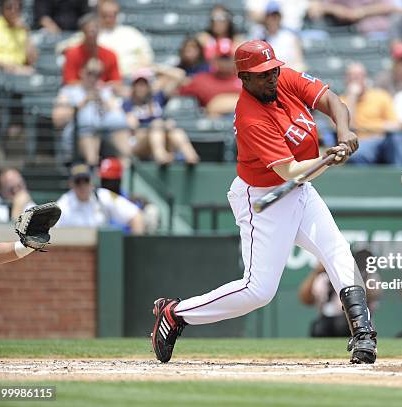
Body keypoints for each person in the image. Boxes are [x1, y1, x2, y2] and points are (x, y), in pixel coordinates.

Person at [151, 40, 377, 365]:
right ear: (244, 78)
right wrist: (327, 159)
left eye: (272, 71)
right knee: (259, 291)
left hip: (299, 191)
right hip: (266, 196)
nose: (271, 78)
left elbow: (331, 101)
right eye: (261, 74)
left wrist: (343, 132)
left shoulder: (283, 77)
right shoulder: (249, 116)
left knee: (338, 251)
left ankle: (363, 335)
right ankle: (175, 313)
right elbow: (292, 172)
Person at [53, 58, 131, 166]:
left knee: (120, 129)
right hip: (77, 137)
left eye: (98, 74)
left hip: (105, 136)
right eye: (90, 73)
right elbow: (57, 120)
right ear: (82, 72)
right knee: (88, 130)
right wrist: (84, 103)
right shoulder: (69, 91)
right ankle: (92, 171)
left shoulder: (105, 92)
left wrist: (103, 102)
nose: (93, 78)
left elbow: (119, 117)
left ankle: (127, 171)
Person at [123, 67, 200, 165]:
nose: (140, 87)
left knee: (175, 130)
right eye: (138, 84)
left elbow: (180, 75)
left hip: (161, 137)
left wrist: (157, 68)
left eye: (144, 84)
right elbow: (132, 126)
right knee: (157, 125)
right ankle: (160, 156)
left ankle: (191, 156)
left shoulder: (158, 97)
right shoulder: (128, 103)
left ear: (149, 86)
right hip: (138, 142)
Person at [299, 249, 380, 337]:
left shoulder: (369, 278)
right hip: (327, 323)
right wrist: (317, 271)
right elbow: (306, 299)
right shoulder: (324, 279)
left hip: (356, 322)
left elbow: (371, 295)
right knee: (319, 327)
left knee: (342, 324)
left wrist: (360, 275)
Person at [342, 62, 402, 166]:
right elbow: (347, 127)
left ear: (365, 78)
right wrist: (352, 97)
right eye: (352, 76)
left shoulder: (380, 95)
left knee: (396, 138)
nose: (356, 79)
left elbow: (395, 125)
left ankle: (399, 175)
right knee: (358, 154)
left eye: (359, 76)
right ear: (346, 79)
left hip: (383, 139)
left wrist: (370, 128)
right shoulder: (341, 102)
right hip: (360, 143)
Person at [56, 163, 144, 234]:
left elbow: (136, 216)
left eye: (86, 181)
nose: (82, 186)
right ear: (71, 184)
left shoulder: (103, 196)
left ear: (91, 182)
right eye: (78, 182)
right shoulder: (63, 204)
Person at [178, 39, 243, 118]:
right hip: (213, 125)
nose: (225, 62)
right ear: (214, 59)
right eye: (222, 58)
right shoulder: (202, 80)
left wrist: (218, 103)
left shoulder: (246, 79)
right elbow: (178, 90)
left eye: (228, 58)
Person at [96, 0, 154, 77]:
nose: (108, 19)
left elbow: (147, 57)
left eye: (112, 15)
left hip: (132, 79)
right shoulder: (92, 35)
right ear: (99, 15)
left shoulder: (132, 33)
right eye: (105, 15)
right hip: (103, 79)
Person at [62, 12, 121, 88]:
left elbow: (117, 82)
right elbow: (69, 82)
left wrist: (102, 86)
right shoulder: (72, 54)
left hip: (103, 93)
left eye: (95, 29)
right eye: (89, 30)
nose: (92, 33)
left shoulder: (110, 55)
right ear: (83, 31)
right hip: (79, 94)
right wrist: (89, 85)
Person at [248, 1, 306, 71]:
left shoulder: (289, 36)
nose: (273, 19)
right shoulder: (259, 36)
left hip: (288, 74)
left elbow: (300, 63)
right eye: (270, 16)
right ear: (266, 18)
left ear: (280, 17)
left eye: (276, 16)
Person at [0, 0, 37, 74]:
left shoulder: (22, 29)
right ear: (2, 9)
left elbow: (31, 60)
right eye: (9, 7)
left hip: (19, 72)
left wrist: (27, 33)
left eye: (17, 8)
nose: (13, 11)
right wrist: (7, 65)